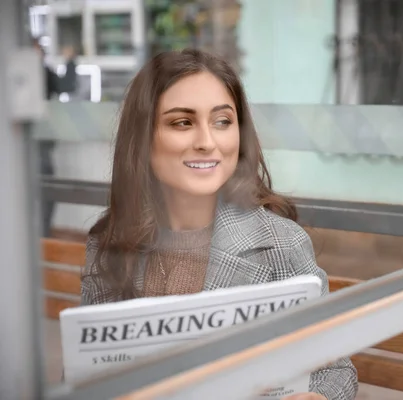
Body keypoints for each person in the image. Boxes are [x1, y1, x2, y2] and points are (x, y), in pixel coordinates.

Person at [81, 49, 359, 400]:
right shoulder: (109, 243)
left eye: (222, 121)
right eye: (182, 122)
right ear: (143, 141)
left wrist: (318, 397)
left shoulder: (280, 244)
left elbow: (335, 371)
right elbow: (84, 372)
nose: (206, 142)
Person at [32, 37, 78, 237]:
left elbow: (65, 86)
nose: (41, 53)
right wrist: (69, 61)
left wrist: (69, 62)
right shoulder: (38, 72)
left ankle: (38, 238)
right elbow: (66, 86)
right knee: (45, 190)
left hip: (34, 144)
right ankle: (40, 237)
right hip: (36, 145)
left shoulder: (39, 71)